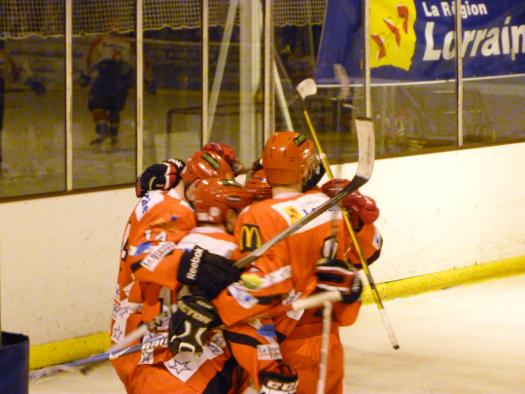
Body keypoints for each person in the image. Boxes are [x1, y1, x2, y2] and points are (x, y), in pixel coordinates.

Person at [110, 149, 239, 393]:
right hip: (145, 341)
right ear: (195, 186)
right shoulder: (176, 210)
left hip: (132, 329)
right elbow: (145, 258)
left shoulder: (160, 194)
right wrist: (193, 263)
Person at [130, 177, 253, 393]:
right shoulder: (234, 252)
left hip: (147, 373)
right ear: (232, 215)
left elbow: (139, 269)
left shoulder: (174, 245)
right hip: (198, 379)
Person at [82, 30, 133, 148]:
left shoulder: (102, 39)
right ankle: (114, 136)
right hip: (121, 78)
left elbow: (90, 56)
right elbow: (143, 62)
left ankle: (103, 131)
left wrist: (88, 72)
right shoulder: (128, 42)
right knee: (114, 109)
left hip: (106, 75)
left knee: (96, 106)